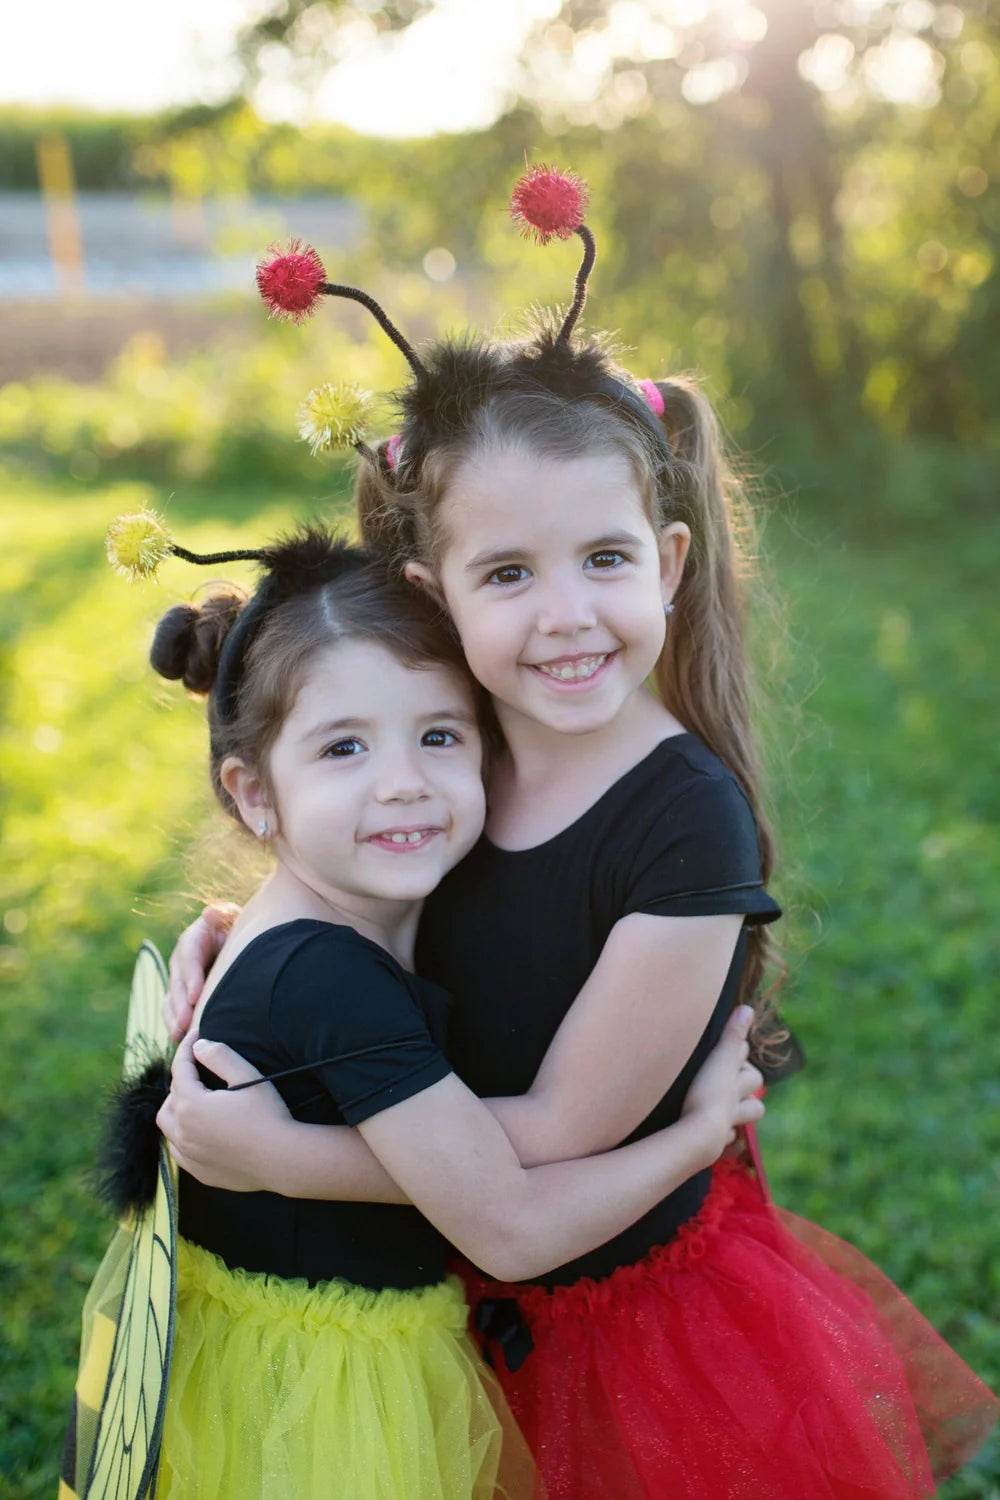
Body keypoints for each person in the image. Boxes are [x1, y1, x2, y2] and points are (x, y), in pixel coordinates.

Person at [157, 169, 998, 1497]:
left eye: (603, 560)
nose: (565, 616)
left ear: (666, 565)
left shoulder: (683, 829)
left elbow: (542, 1141)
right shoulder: (455, 752)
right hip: (454, 1311)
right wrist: (241, 938)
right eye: (508, 574)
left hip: (623, 1334)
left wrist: (283, 1159)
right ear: (437, 599)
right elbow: (364, 891)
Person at [111, 523, 768, 1500]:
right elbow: (508, 1228)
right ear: (253, 794)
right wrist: (697, 1134)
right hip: (336, 1401)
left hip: (282, 1357)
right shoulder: (335, 979)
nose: (404, 781)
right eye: (343, 748)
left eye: (439, 736)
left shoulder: (306, 923)